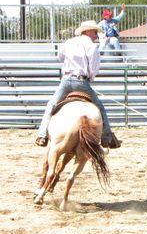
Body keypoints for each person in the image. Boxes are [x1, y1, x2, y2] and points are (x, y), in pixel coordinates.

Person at [35, 20, 121, 149]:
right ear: (87, 31)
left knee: (51, 105)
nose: (96, 35)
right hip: (81, 81)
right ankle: (106, 137)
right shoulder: (92, 46)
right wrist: (89, 79)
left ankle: (42, 135)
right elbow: (93, 68)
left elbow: (60, 56)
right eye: (95, 32)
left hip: (66, 80)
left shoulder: (69, 42)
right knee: (100, 107)